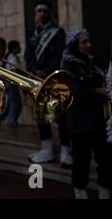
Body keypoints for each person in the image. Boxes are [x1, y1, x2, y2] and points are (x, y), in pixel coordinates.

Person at [61, 29, 112, 199]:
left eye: (89, 41)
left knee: (105, 161)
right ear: (75, 46)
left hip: (98, 120)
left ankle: (104, 193)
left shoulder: (93, 64)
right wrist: (97, 91)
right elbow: (74, 91)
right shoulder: (67, 65)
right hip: (79, 123)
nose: (89, 45)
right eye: (84, 42)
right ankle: (80, 194)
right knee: (81, 163)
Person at [24, 1, 71, 166]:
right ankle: (46, 148)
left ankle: (66, 150)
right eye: (39, 11)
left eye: (45, 11)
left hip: (53, 78)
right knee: (41, 113)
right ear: (35, 13)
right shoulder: (30, 33)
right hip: (37, 79)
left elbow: (60, 53)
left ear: (49, 13)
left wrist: (47, 70)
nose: (42, 14)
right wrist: (33, 70)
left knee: (60, 114)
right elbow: (28, 55)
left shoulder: (58, 33)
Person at [0, 40, 23, 128]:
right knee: (16, 103)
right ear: (14, 48)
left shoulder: (10, 57)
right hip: (12, 83)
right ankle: (12, 122)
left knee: (11, 103)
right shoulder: (12, 58)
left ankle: (0, 117)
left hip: (9, 83)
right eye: (18, 47)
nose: (20, 48)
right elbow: (13, 70)